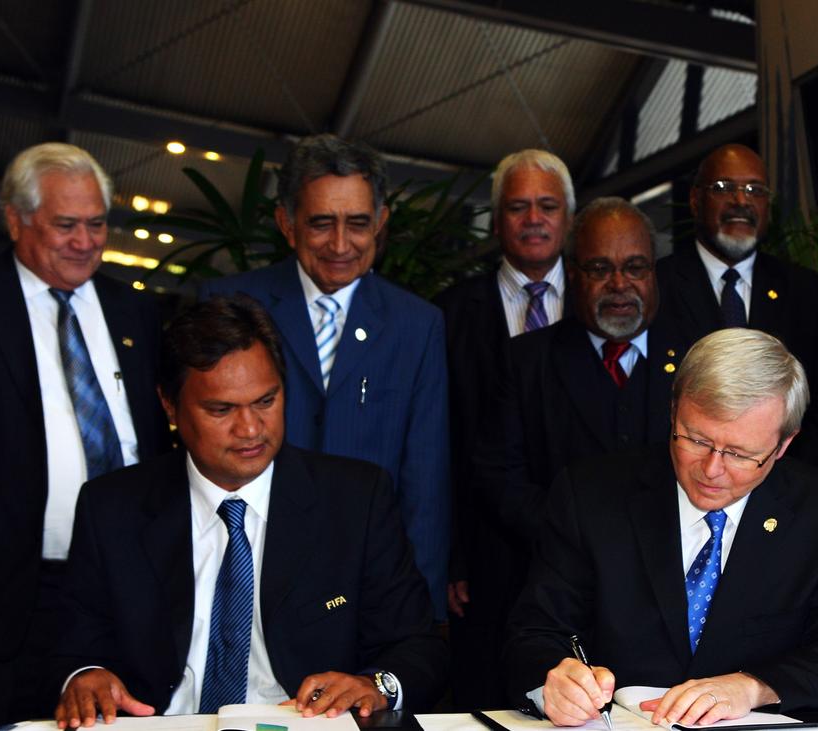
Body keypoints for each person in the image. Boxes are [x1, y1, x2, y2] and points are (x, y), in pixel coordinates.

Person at [53, 296, 448, 727]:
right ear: (169, 405)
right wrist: (85, 676)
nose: (250, 429)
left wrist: (375, 684)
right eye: (221, 409)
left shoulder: (355, 499)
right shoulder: (112, 507)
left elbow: (417, 646)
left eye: (266, 401)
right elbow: (73, 644)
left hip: (300, 723)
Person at [505, 328, 818, 726]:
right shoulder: (591, 496)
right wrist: (553, 681)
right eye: (697, 440)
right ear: (673, 411)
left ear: (784, 445)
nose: (712, 469)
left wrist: (753, 687)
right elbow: (534, 634)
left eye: (740, 454)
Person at [202, 134, 450, 619]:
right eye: (321, 223)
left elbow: (426, 482)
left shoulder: (417, 326)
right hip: (248, 565)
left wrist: (422, 612)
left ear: (381, 222)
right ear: (286, 223)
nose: (340, 245)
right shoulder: (231, 304)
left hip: (366, 577)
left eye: (357, 223)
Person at [468, 196, 690, 708]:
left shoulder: (696, 360)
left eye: (635, 268)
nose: (619, 284)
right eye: (600, 269)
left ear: (654, 274)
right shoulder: (525, 361)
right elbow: (499, 476)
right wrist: (582, 537)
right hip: (557, 606)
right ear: (572, 274)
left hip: (674, 604)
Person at [0, 142, 170, 727]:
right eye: (66, 225)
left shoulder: (134, 311)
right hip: (7, 591)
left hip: (125, 586)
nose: (86, 242)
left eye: (97, 223)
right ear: (16, 219)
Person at [434, 149, 573, 708]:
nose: (533, 219)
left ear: (568, 217)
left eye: (547, 206)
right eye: (518, 207)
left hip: (579, 549)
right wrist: (449, 557)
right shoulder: (447, 315)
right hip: (482, 558)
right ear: (496, 221)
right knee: (487, 700)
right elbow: (437, 446)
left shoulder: (605, 303)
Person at [654, 144, 818, 380]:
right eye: (724, 187)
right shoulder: (656, 288)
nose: (742, 200)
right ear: (695, 200)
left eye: (755, 190)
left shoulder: (807, 291)